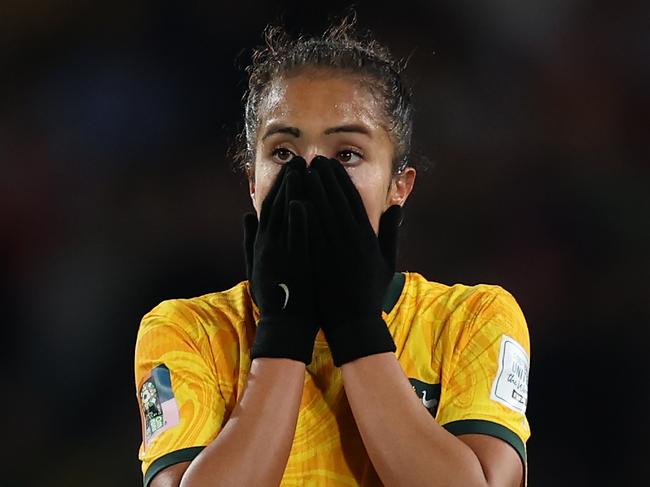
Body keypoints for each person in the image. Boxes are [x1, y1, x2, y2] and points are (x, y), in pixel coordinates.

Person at [134, 15, 531, 487]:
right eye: (283, 152)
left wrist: (356, 327)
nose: (311, 178)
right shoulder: (183, 333)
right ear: (252, 182)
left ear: (398, 187)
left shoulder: (474, 320)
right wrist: (284, 330)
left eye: (346, 154)